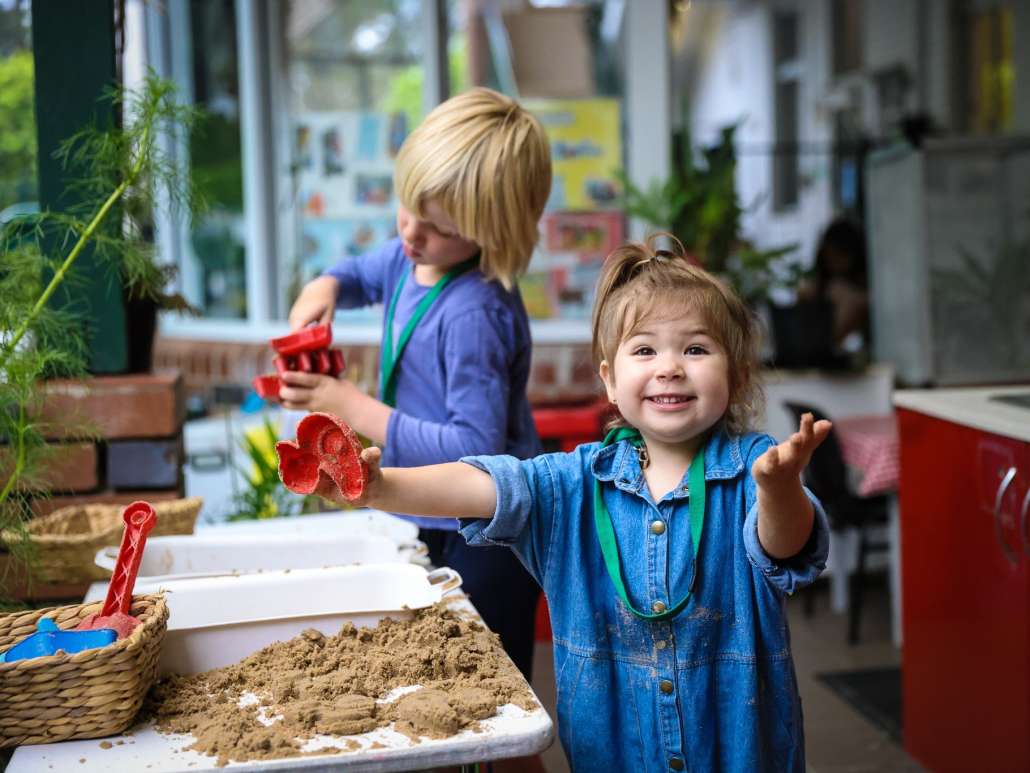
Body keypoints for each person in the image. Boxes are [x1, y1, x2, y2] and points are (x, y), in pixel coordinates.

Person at [306, 236, 832, 771]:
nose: (670, 367)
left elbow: (785, 548)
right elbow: (484, 484)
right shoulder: (576, 482)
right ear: (609, 378)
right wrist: (379, 487)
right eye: (645, 350)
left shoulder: (756, 469)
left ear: (736, 374)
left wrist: (780, 490)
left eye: (695, 349)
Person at [281, 87, 552, 683]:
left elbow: (472, 451)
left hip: (489, 536)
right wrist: (321, 290)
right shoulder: (413, 257)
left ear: (492, 232)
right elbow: (354, 273)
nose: (410, 233)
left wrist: (347, 404)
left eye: (436, 227)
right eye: (407, 208)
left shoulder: (473, 313)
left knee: (490, 691)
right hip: (434, 516)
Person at [798, 216, 870, 350]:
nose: (833, 261)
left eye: (839, 255)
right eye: (829, 255)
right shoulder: (820, 285)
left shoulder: (858, 295)